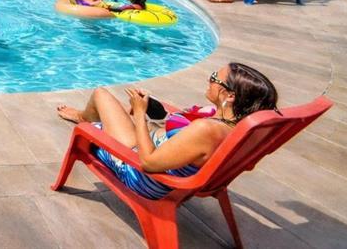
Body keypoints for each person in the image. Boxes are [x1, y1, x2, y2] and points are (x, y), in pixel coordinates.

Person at [55, 63, 278, 200]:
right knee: (124, 114)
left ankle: (83, 117)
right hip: (170, 166)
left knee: (100, 99)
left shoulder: (207, 130)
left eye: (214, 78)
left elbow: (148, 163)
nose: (208, 80)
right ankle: (96, 117)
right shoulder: (243, 130)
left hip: (141, 175)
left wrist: (140, 113)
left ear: (230, 95)